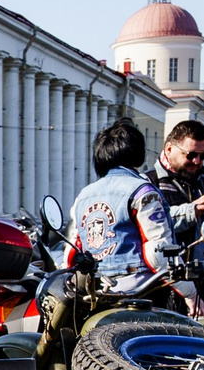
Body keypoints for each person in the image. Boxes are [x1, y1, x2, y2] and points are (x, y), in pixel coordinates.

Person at [68, 119, 176, 287]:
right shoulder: (143, 192)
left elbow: (73, 250)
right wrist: (189, 292)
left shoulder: (83, 196)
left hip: (93, 288)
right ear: (139, 153)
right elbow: (158, 251)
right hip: (138, 288)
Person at [156, 120, 204, 237]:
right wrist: (191, 211)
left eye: (203, 155)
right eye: (191, 155)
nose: (196, 161)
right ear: (169, 149)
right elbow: (151, 223)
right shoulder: (149, 183)